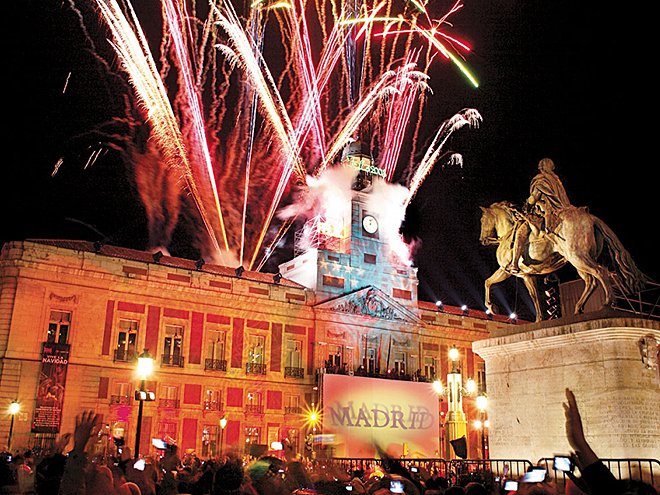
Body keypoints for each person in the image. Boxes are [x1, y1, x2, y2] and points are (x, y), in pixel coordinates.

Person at [509, 158, 572, 274]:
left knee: (520, 234)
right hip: (561, 209)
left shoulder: (540, 179)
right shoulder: (556, 179)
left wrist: (526, 205)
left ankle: (514, 263)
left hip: (544, 212)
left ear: (541, 167)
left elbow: (534, 197)